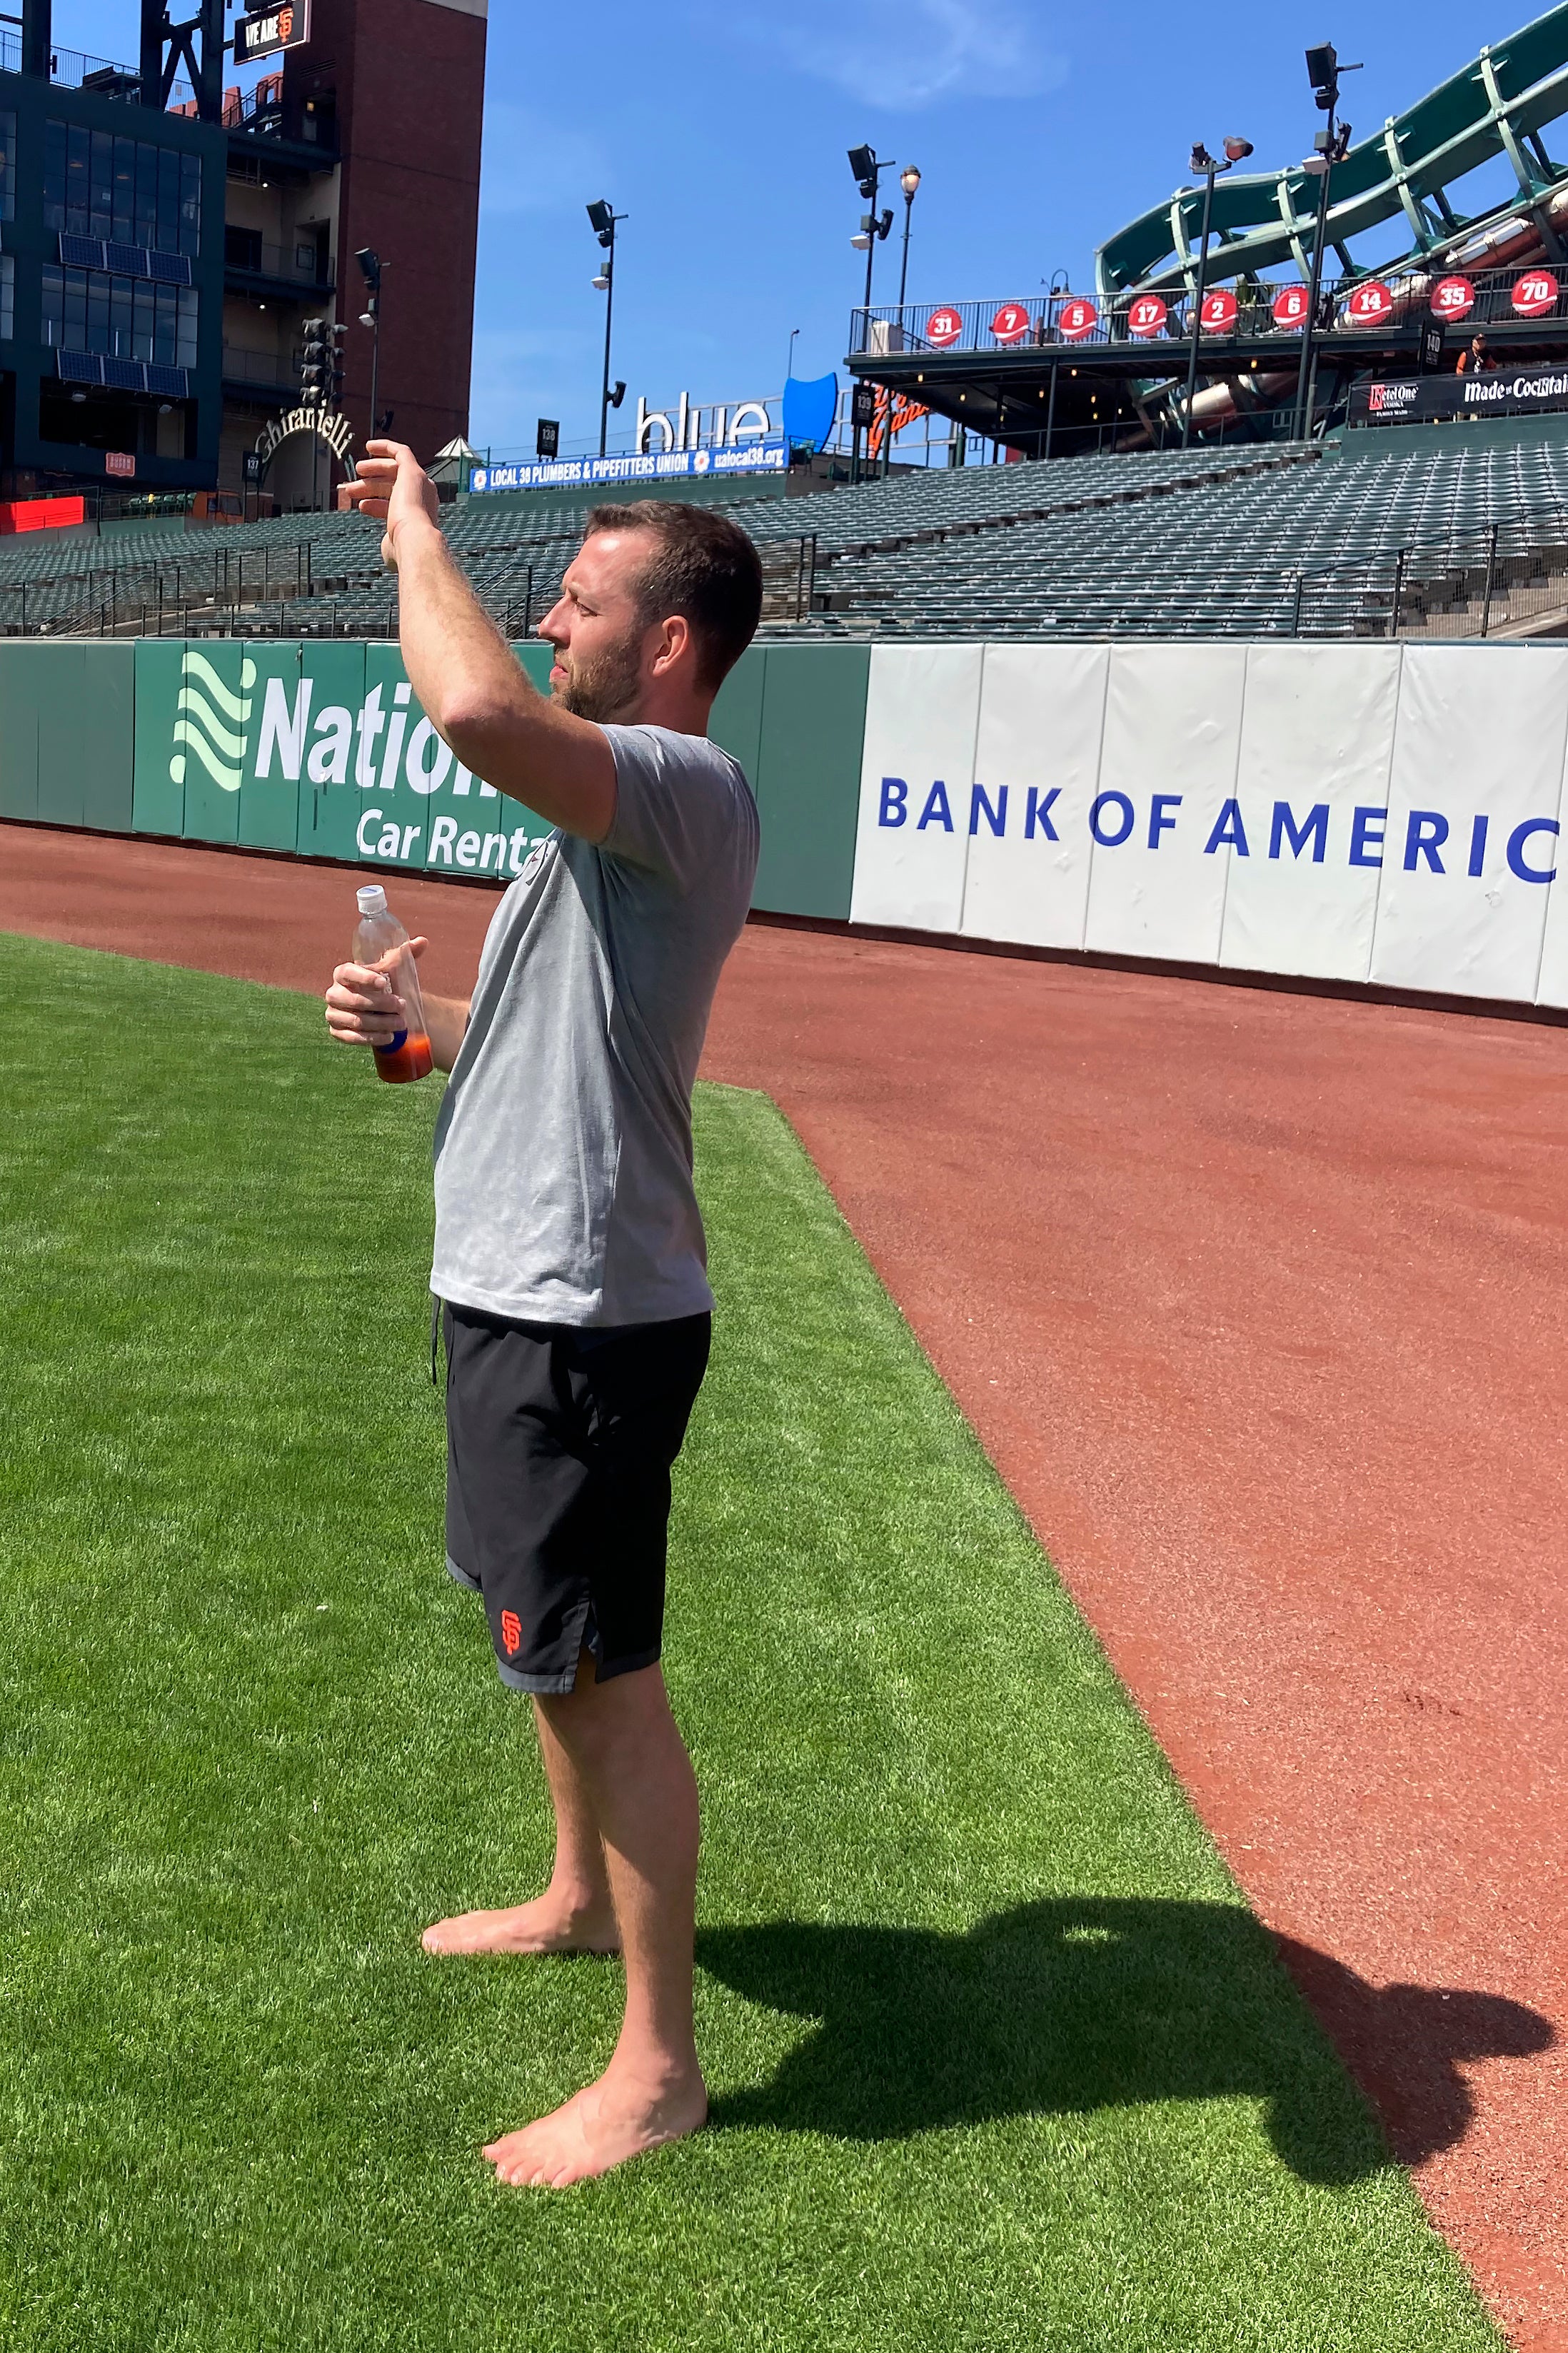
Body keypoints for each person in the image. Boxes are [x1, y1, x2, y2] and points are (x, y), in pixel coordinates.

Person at [323, 446, 762, 2189]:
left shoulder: (685, 787)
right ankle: (580, 1896)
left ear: (669, 644)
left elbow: (474, 711)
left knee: (602, 1678)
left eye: (581, 601)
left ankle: (660, 2071)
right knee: (551, 1648)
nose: (551, 622)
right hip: (524, 1296)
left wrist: (412, 531)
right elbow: (515, 1063)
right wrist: (407, 1038)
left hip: (586, 1316)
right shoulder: (594, 838)